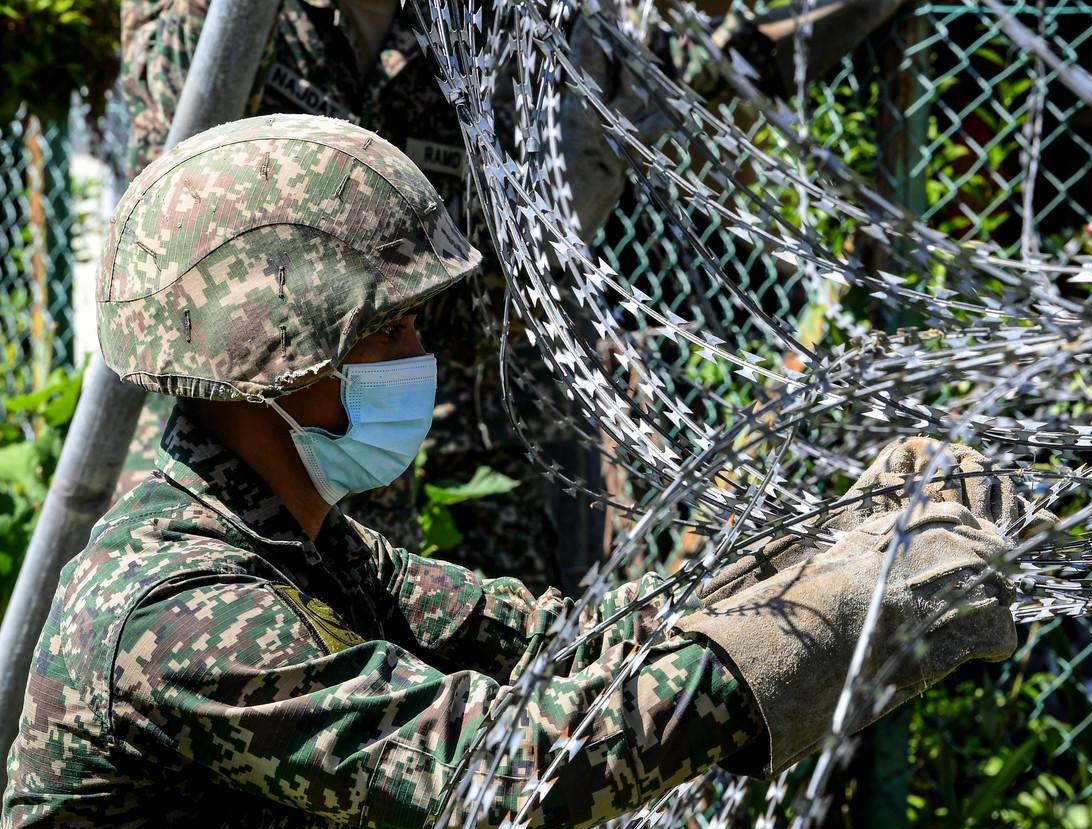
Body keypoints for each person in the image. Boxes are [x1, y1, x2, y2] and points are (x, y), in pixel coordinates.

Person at [1, 115, 1035, 829]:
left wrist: (828, 549)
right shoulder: (186, 614)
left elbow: (557, 638)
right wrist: (823, 620)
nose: (420, 357)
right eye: (389, 327)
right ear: (270, 353)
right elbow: (494, 774)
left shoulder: (301, 544)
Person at [116, 0, 916, 591]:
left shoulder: (484, 26)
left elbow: (475, 302)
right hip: (247, 431)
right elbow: (185, 267)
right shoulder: (212, 24)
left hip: (413, 421)